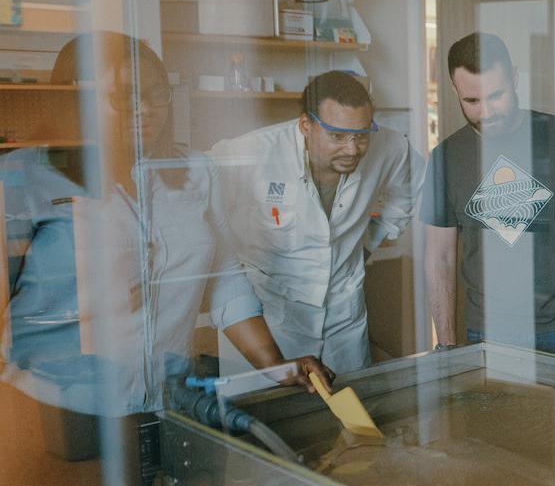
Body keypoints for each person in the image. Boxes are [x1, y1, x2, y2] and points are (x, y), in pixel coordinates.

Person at [1, 31, 329, 420]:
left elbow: (224, 277)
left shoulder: (193, 171)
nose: (144, 109)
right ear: (78, 99)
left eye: (156, 94)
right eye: (123, 97)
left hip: (165, 399)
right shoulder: (24, 176)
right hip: (58, 407)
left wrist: (272, 363)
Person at [210, 72, 413, 374]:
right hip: (272, 317)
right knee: (268, 415)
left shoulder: (392, 146)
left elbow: (408, 193)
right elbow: (195, 202)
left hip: (343, 316)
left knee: (350, 411)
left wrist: (368, 244)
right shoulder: (250, 153)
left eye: (361, 135)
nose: (352, 148)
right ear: (306, 125)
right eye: (337, 136)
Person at [422, 32, 555, 356]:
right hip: (488, 332)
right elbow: (439, 258)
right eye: (472, 101)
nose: (486, 111)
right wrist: (446, 344)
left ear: (515, 78)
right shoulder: (446, 157)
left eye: (496, 95)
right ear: (454, 90)